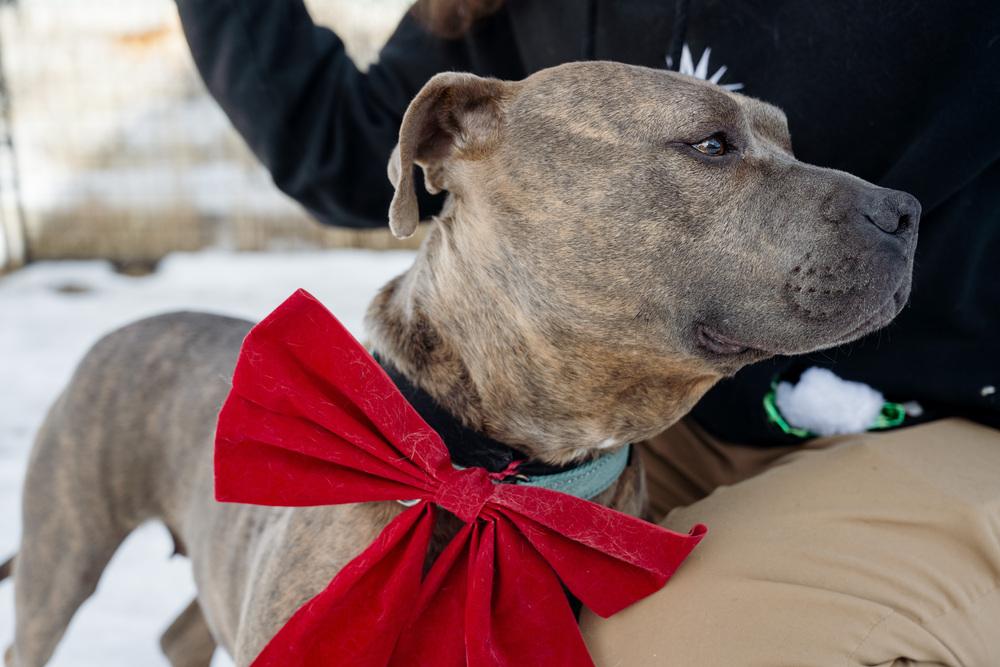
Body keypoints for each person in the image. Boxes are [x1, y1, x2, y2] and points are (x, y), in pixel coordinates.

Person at [177, 1, 1000, 663]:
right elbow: (360, 146)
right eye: (716, 146)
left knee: (632, 647)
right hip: (644, 414)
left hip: (942, 421)